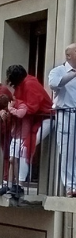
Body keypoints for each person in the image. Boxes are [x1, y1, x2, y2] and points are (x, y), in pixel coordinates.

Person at [2, 65, 52, 195]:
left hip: (45, 119)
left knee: (26, 147)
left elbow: (31, 107)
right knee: (19, 151)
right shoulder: (24, 84)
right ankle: (14, 184)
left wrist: (13, 110)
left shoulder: (29, 84)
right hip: (32, 121)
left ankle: (20, 184)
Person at [49, 45, 76, 196]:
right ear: (68, 56)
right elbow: (54, 84)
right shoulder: (58, 71)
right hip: (66, 114)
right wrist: (73, 74)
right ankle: (71, 186)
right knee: (67, 151)